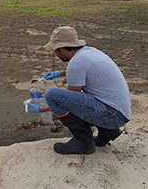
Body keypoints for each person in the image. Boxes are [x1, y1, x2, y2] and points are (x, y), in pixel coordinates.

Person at [26, 26, 132, 155]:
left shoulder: (76, 63)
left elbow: (72, 103)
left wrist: (40, 109)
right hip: (120, 112)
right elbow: (88, 71)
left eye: (56, 50)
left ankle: (83, 142)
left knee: (52, 95)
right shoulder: (90, 52)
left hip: (112, 116)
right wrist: (59, 73)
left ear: (62, 48)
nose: (56, 54)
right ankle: (108, 132)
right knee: (89, 95)